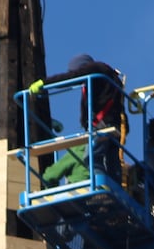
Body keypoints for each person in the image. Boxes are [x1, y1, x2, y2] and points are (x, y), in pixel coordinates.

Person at [30, 53, 127, 186]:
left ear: (82, 67)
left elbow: (72, 77)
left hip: (103, 124)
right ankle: (116, 189)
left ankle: (101, 187)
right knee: (111, 161)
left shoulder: (95, 69)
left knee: (92, 158)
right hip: (112, 124)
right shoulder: (104, 77)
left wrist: (44, 83)